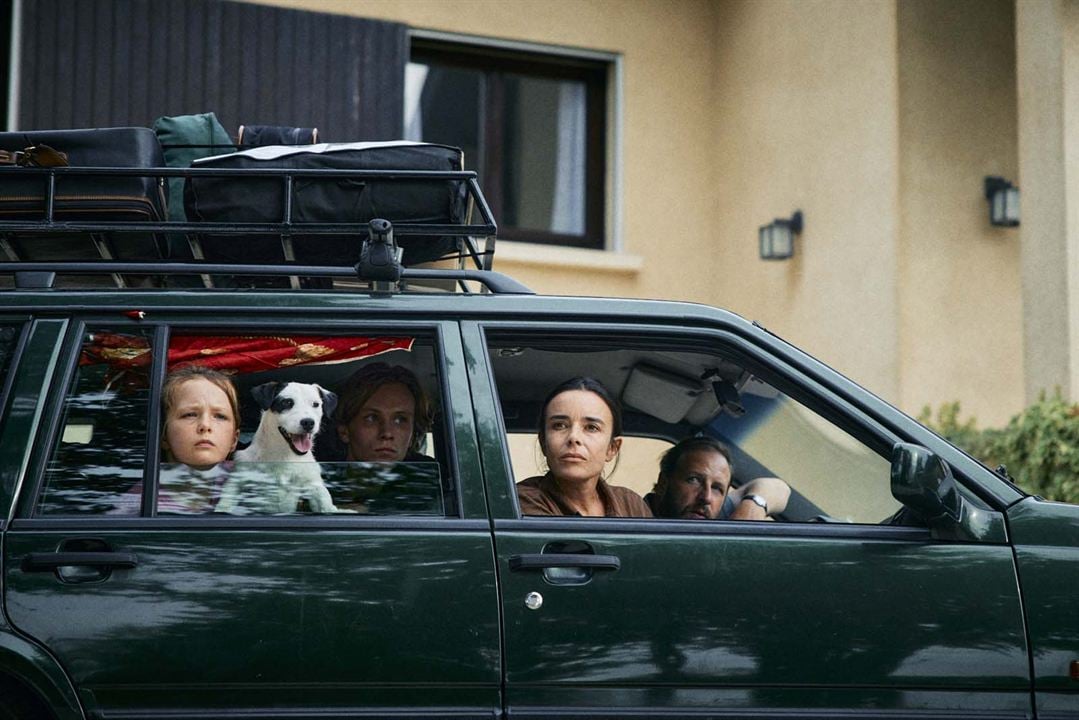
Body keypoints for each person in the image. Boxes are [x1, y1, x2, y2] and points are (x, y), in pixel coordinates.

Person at [110, 365, 240, 515]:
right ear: (164, 436)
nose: (205, 425)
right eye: (190, 414)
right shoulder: (138, 505)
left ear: (234, 439)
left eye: (220, 416)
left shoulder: (253, 480)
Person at [517, 376, 651, 517]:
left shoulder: (630, 504)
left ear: (612, 448)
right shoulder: (521, 500)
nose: (574, 437)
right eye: (559, 425)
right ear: (543, 443)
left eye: (591, 428)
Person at [645, 436, 790, 521]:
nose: (706, 497)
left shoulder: (709, 511)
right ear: (663, 482)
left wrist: (751, 508)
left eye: (717, 488)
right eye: (694, 480)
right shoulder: (633, 515)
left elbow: (780, 489)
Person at [335, 362, 434, 462]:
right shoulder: (320, 476)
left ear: (412, 436)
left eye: (400, 420)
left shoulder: (438, 476)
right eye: (372, 418)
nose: (387, 433)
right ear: (344, 431)